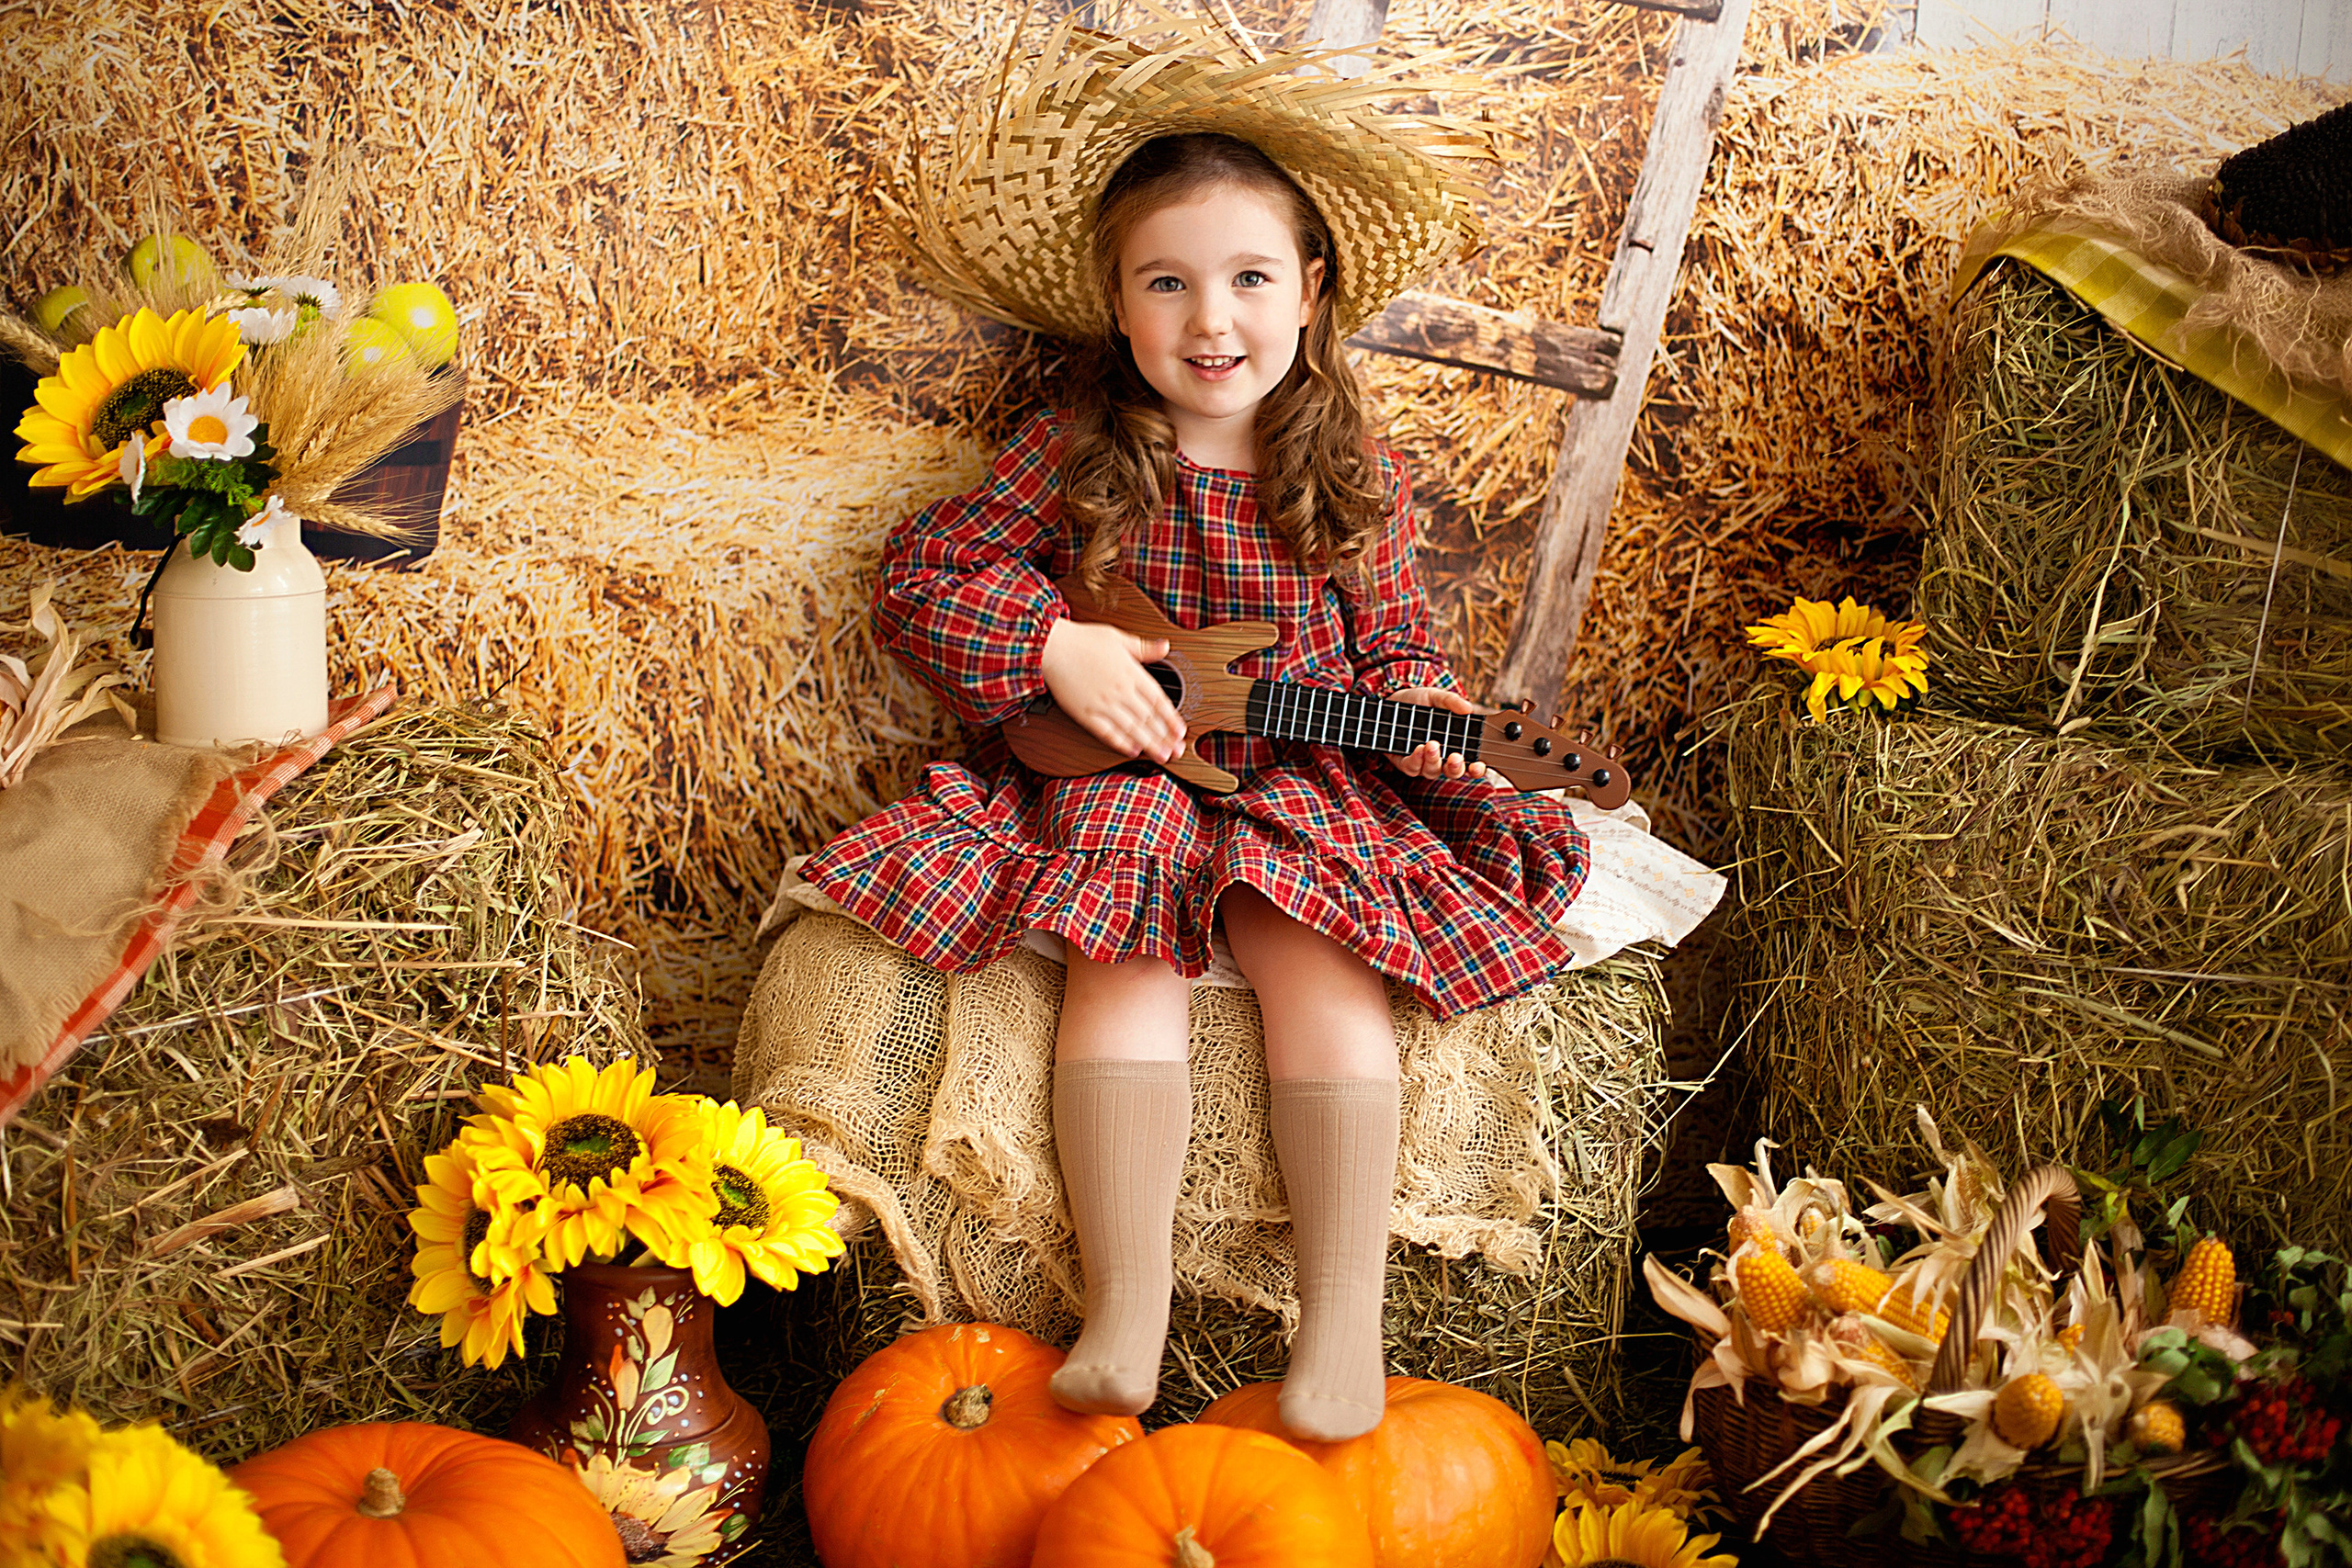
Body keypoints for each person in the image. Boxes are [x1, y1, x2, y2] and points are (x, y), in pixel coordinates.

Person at [800, 16, 1590, 1443]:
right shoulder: (1078, 450)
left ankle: (1343, 1327)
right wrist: (1053, 641)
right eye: (1167, 284)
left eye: (1246, 280)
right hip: (1136, 770)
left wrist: (1414, 712)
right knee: (1121, 954)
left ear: (1311, 292)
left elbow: (1395, 640)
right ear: (1116, 304)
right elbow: (922, 579)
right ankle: (1128, 1308)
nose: (1209, 321)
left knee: (1322, 966)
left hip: (1297, 772)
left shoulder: (1351, 469)